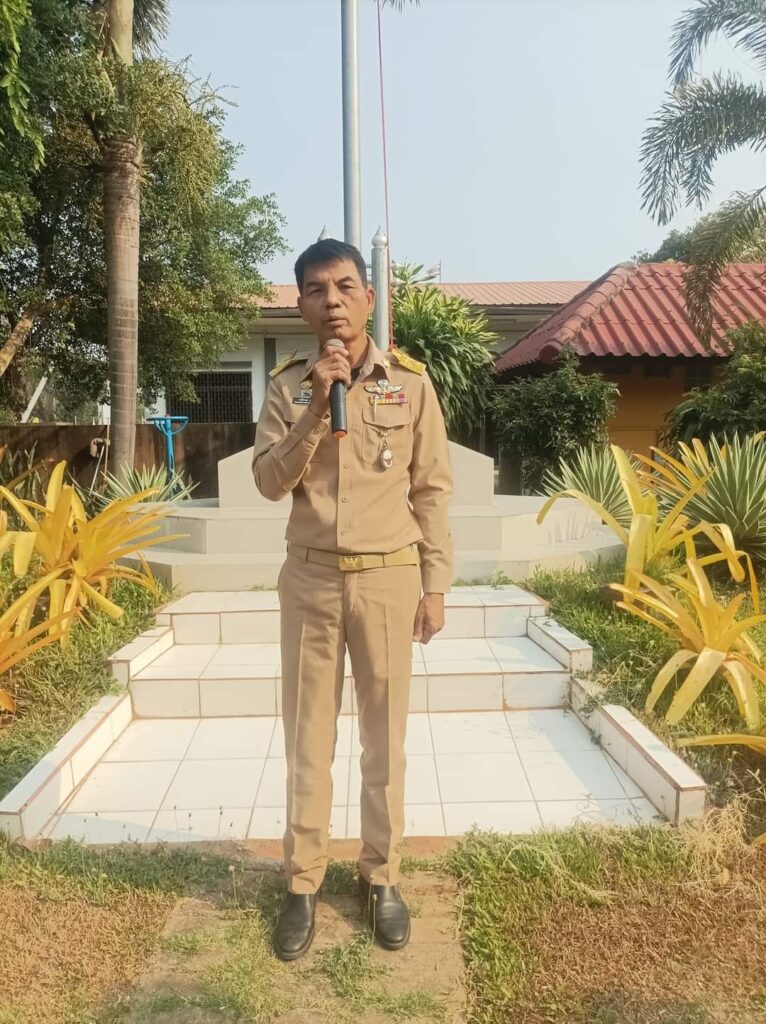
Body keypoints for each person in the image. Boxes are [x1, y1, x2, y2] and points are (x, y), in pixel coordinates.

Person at [252, 238, 453, 962]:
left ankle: (381, 877)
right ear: (302, 306)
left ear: (369, 297)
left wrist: (435, 585)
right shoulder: (287, 388)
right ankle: (303, 882)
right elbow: (268, 482)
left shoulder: (411, 385)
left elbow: (431, 488)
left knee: (384, 741)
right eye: (316, 290)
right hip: (310, 580)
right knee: (308, 738)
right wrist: (315, 408)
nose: (331, 301)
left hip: (389, 579)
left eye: (344, 287)